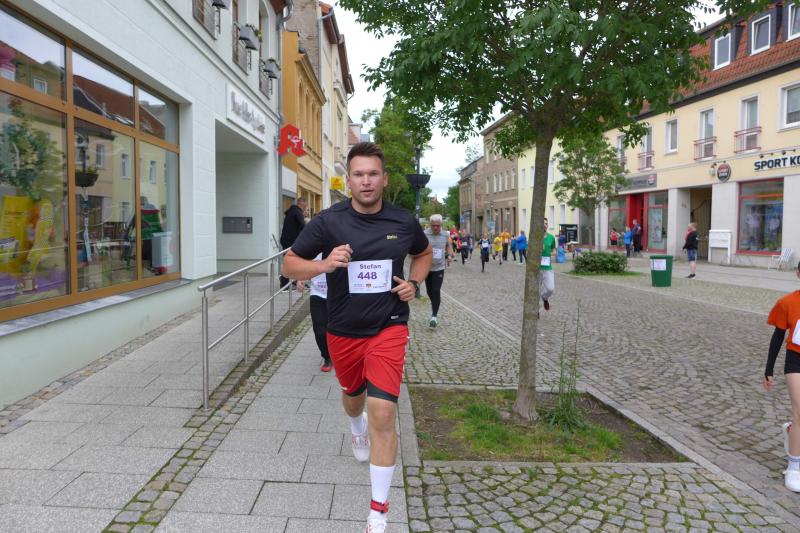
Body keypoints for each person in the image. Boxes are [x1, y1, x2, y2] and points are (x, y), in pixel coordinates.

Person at [282, 142, 432, 533]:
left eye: (373, 174)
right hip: (343, 330)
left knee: (383, 412)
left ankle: (378, 514)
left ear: (384, 179)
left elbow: (423, 254)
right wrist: (324, 264)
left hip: (389, 326)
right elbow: (288, 264)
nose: (366, 181)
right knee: (354, 398)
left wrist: (414, 283)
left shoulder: (403, 221)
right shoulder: (328, 222)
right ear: (348, 180)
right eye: (359, 174)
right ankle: (355, 427)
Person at [762, 262, 800, 492]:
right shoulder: (787, 303)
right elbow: (777, 337)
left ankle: (791, 431)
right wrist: (769, 369)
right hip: (796, 361)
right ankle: (795, 466)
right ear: (798, 274)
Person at [302, 254, 331, 371]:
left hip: (337, 295)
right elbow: (303, 263)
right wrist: (301, 278)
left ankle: (340, 355)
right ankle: (327, 357)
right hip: (317, 293)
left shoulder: (339, 245)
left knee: (339, 329)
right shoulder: (313, 248)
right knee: (320, 331)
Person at [425, 214, 450, 327]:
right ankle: (434, 303)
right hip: (426, 267)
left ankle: (434, 316)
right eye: (433, 225)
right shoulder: (425, 234)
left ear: (441, 225)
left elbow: (448, 245)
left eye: (438, 226)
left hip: (439, 267)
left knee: (436, 290)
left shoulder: (445, 234)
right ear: (430, 225)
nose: (435, 227)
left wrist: (449, 255)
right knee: (429, 291)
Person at [279, 197, 308, 290]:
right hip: (290, 241)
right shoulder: (297, 212)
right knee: (290, 262)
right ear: (303, 205)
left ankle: (294, 280)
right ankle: (284, 283)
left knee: (292, 261)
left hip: (287, 240)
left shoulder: (292, 211)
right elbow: (303, 226)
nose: (306, 209)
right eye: (306, 207)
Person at [540, 218, 556, 311]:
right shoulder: (535, 237)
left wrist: (552, 253)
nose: (544, 225)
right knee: (535, 291)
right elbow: (528, 250)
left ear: (547, 226)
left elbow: (554, 250)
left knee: (550, 288)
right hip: (536, 268)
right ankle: (536, 311)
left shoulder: (551, 238)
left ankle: (544, 297)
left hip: (547, 267)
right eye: (543, 223)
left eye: (546, 224)